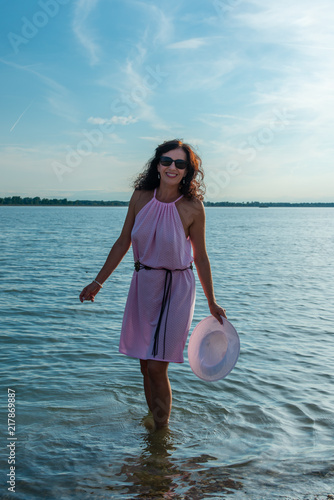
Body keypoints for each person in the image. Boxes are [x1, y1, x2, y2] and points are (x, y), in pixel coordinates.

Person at [79, 139, 227, 430]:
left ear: (187, 171)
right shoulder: (140, 196)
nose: (173, 167)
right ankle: (153, 424)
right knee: (145, 364)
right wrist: (99, 282)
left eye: (180, 163)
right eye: (167, 161)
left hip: (177, 288)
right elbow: (124, 241)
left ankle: (161, 437)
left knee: (158, 365)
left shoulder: (193, 207)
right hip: (143, 284)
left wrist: (212, 301)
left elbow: (201, 257)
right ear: (157, 164)